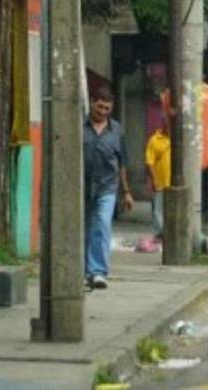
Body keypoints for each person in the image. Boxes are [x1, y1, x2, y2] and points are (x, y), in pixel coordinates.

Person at [84, 85, 134, 290]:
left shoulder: (117, 131)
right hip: (82, 186)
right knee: (84, 228)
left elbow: (122, 163)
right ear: (92, 103)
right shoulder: (79, 126)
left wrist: (127, 192)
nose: (102, 112)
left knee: (102, 226)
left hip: (107, 186)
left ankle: (98, 272)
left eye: (107, 109)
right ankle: (82, 270)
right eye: (100, 107)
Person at [144, 116, 172, 239]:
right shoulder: (154, 140)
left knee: (170, 211)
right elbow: (149, 162)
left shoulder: (179, 139)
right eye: (168, 123)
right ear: (163, 124)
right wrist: (153, 179)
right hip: (160, 182)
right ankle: (161, 234)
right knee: (158, 211)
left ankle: (168, 233)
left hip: (175, 183)